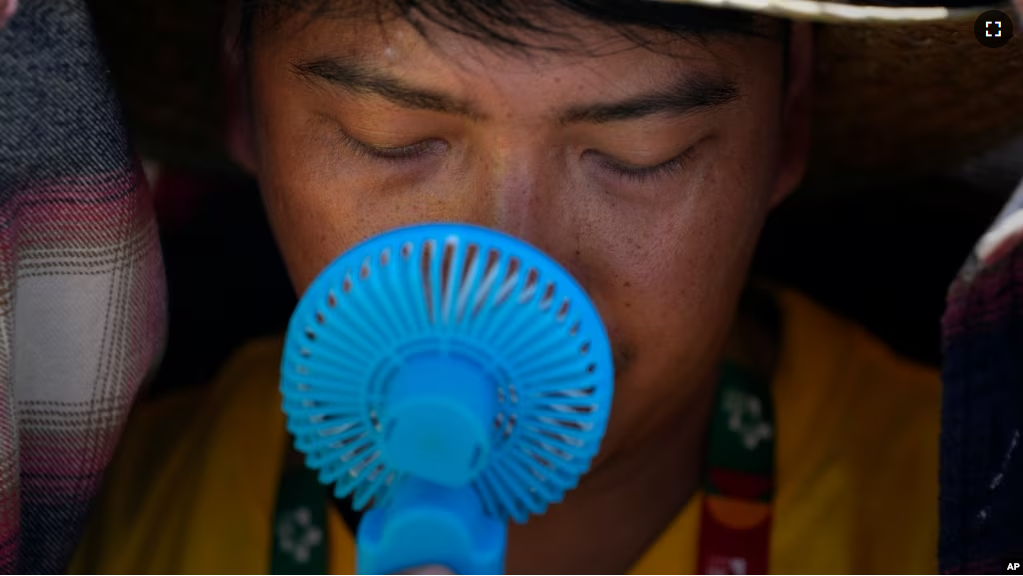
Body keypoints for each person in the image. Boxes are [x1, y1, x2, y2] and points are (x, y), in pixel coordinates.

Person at [68, 0, 1023, 573]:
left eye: (637, 153)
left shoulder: (971, 520)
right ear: (244, 99)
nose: (507, 273)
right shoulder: (93, 531)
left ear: (789, 120)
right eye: (391, 137)